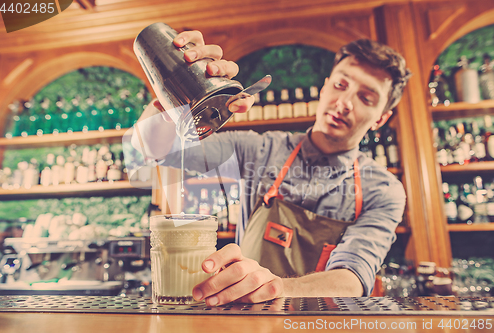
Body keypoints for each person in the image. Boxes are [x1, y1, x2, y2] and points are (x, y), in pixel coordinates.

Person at [129, 30, 412, 306]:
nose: (345, 103)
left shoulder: (383, 190)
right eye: (340, 85)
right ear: (325, 87)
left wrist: (274, 289)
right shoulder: (259, 150)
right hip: (245, 323)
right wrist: (174, 94)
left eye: (366, 98)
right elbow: (156, 148)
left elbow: (352, 278)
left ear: (381, 118)